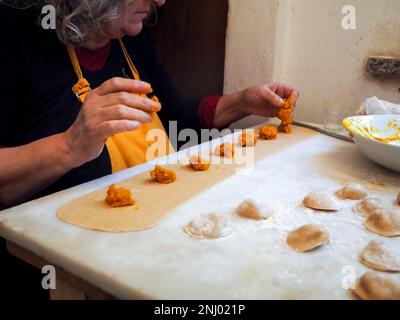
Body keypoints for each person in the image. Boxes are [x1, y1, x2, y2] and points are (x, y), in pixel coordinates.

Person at [0, 0, 299, 209]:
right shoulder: (13, 34)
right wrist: (68, 147)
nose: (160, 0)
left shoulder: (126, 37)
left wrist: (243, 102)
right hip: (48, 255)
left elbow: (175, 120)